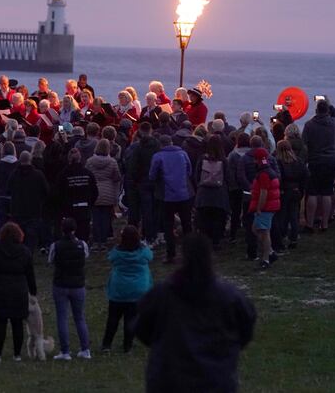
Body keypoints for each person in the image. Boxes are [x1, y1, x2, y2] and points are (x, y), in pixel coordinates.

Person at [135, 234, 256, 393]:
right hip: (216, 379)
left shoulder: (162, 294)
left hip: (169, 379)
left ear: (181, 257)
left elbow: (142, 327)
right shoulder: (230, 297)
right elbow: (246, 329)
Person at [0, 222, 37, 363]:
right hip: (19, 290)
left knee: (1, 323)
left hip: (1, 290)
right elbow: (30, 274)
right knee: (17, 323)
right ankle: (17, 355)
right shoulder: (25, 251)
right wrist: (33, 291)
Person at [101, 225, 153, 353]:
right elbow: (150, 256)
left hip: (118, 290)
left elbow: (110, 258)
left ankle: (107, 345)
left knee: (113, 318)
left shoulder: (117, 253)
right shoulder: (144, 252)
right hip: (137, 290)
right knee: (130, 319)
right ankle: (127, 346)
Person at [48, 217, 91, 361]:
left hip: (60, 284)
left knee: (62, 317)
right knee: (79, 317)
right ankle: (85, 349)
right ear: (75, 229)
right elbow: (85, 257)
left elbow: (51, 260)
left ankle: (65, 351)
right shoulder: (82, 244)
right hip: (78, 284)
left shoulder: (56, 245)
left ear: (62, 229)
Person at [149, 135, 193, 263]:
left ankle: (171, 253)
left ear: (160, 144)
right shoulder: (183, 154)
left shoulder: (158, 157)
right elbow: (189, 171)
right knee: (187, 223)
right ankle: (189, 252)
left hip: (166, 195)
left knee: (168, 225)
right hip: (184, 193)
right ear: (171, 142)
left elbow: (152, 175)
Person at [302, 99, 335, 232]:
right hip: (330, 160)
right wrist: (329, 103)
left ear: (316, 111)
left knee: (312, 192)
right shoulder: (333, 124)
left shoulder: (309, 125)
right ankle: (325, 223)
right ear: (327, 110)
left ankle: (310, 224)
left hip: (315, 160)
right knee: (327, 192)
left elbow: (304, 144)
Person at [7, 151, 50, 250]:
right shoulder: (38, 174)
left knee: (18, 235)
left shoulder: (14, 174)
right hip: (34, 210)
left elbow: (8, 189)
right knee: (31, 237)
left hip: (17, 209)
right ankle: (28, 254)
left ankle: (19, 253)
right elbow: (46, 191)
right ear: (30, 160)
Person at [194, 134, 230, 249]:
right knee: (218, 219)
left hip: (204, 194)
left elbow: (197, 175)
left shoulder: (202, 158)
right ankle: (216, 241)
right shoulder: (224, 160)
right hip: (219, 194)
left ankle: (205, 240)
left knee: (204, 219)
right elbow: (228, 177)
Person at [85, 139, 121, 252]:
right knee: (106, 218)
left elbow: (87, 175)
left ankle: (96, 241)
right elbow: (117, 177)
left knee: (96, 218)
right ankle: (103, 241)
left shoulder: (90, 161)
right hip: (108, 191)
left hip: (94, 191)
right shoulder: (112, 162)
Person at [248, 148, 281, 269]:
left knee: (263, 231)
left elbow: (264, 192)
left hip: (265, 207)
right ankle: (271, 252)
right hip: (271, 205)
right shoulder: (270, 171)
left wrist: (259, 208)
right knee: (257, 229)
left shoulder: (263, 174)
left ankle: (266, 258)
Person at [276, 140, 308, 250]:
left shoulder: (278, 162)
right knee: (294, 215)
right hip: (295, 190)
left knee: (282, 215)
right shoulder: (298, 161)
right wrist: (301, 189)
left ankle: (282, 236)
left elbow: (278, 177)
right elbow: (305, 175)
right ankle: (294, 238)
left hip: (284, 191)